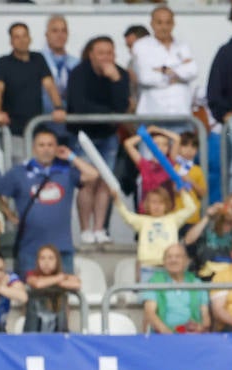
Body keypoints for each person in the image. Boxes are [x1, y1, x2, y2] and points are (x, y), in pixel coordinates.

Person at [0, 126, 95, 275]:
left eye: (50, 145)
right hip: (30, 249)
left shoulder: (66, 170)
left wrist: (71, 156)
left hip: (62, 248)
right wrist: (10, 216)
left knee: (63, 295)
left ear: (56, 147)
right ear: (33, 148)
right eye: (41, 145)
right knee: (31, 295)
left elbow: (93, 175)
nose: (46, 149)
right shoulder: (19, 172)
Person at [66, 36, 128, 247]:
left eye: (109, 52)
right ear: (91, 54)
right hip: (82, 136)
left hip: (108, 136)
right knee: (87, 181)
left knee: (105, 182)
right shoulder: (78, 73)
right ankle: (85, 230)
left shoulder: (120, 74)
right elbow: (79, 105)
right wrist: (108, 113)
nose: (106, 57)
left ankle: (99, 228)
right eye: (101, 53)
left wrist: (116, 81)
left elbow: (122, 107)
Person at [0, 23, 66, 162]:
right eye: (17, 37)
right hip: (12, 129)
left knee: (39, 170)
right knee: (19, 169)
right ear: (11, 41)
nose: (21, 40)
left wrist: (59, 108)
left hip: (36, 129)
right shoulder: (2, 63)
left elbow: (49, 85)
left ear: (30, 38)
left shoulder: (38, 59)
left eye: (24, 36)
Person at [115, 184, 200, 281]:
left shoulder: (173, 219)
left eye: (161, 203)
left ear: (167, 204)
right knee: (148, 295)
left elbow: (191, 208)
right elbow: (127, 216)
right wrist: (117, 201)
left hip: (169, 267)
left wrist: (182, 192)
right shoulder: (142, 221)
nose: (157, 206)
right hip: (147, 267)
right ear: (147, 204)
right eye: (153, 202)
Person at [132, 5, 199, 118]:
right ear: (152, 24)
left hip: (181, 113)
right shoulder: (141, 46)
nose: (164, 27)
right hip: (152, 114)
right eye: (159, 22)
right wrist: (179, 75)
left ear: (173, 24)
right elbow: (145, 77)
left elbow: (193, 71)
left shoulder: (183, 46)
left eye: (168, 23)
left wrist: (163, 70)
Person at [142, 243, 210, 334]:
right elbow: (150, 313)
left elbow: (206, 318)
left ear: (186, 261)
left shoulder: (196, 283)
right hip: (163, 336)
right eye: (169, 257)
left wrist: (199, 328)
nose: (173, 260)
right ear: (164, 262)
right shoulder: (155, 282)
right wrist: (168, 334)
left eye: (178, 256)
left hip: (192, 335)